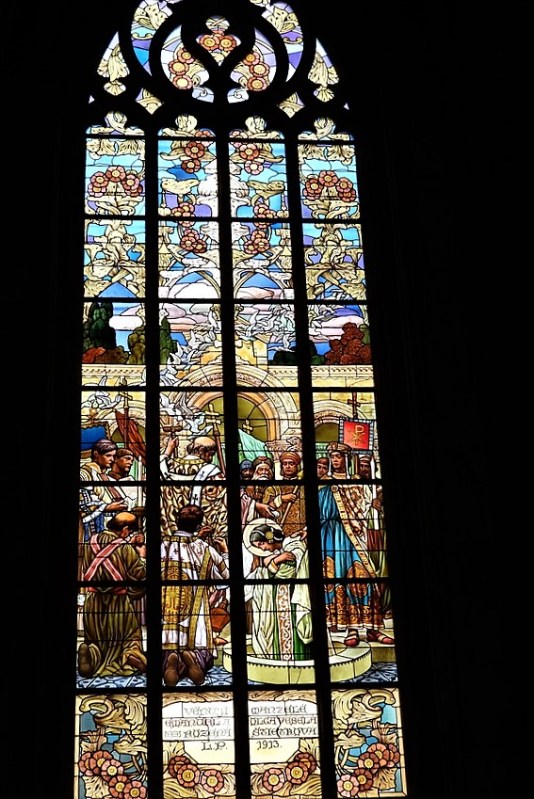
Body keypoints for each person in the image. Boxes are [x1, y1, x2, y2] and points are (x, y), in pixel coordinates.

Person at [161, 503, 230, 686]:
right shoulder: (205, 549)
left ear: (176, 521)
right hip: (195, 612)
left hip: (165, 609)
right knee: (200, 646)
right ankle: (193, 659)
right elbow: (226, 577)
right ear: (198, 525)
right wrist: (225, 552)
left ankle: (171, 659)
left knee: (165, 643)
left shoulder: (161, 546)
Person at [77, 511, 147, 678]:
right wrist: (142, 557)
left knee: (96, 638)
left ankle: (92, 655)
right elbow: (139, 575)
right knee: (129, 636)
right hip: (118, 602)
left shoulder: (89, 543)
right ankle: (129, 656)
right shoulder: (125, 548)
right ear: (125, 529)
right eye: (129, 531)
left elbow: (86, 568)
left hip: (93, 601)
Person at [246, 521, 312, 661]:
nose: (262, 549)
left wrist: (273, 562)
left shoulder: (295, 546)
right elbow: (272, 570)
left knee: (295, 634)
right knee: (280, 636)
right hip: (280, 601)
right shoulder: (280, 552)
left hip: (294, 600)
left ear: (269, 539)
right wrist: (275, 560)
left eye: (261, 544)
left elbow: (286, 573)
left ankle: (301, 664)